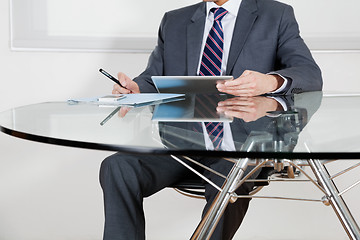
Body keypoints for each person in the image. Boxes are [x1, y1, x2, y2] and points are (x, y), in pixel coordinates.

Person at [99, 0, 323, 239]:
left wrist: (271, 82)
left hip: (240, 148)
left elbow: (309, 74)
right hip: (180, 145)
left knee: (230, 176)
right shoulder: (174, 20)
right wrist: (137, 89)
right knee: (118, 166)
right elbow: (153, 79)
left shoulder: (275, 14)